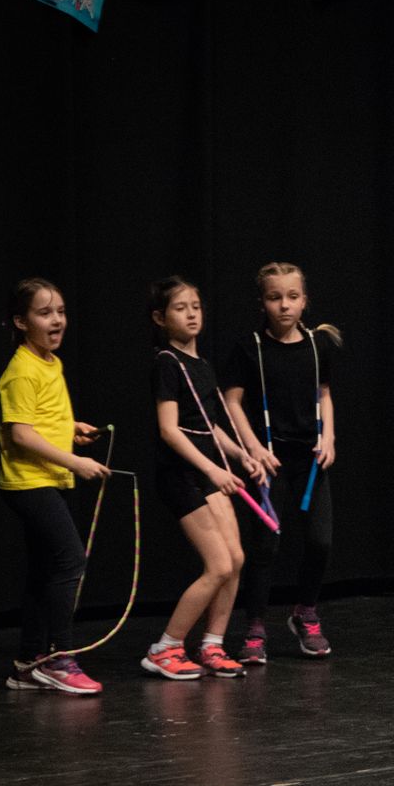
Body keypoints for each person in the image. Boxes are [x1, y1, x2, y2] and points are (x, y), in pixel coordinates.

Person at [222, 261, 341, 662]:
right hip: (269, 461)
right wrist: (253, 448)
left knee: (320, 541)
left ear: (305, 301)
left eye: (292, 297)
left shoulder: (317, 345)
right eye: (275, 298)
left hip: (309, 459)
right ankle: (255, 625)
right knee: (265, 547)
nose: (284, 305)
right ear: (263, 303)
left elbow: (324, 393)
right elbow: (232, 402)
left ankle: (305, 611)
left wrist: (329, 437)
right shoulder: (251, 348)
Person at [143, 277, 262, 680]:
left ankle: (212, 643)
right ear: (160, 317)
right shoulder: (167, 363)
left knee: (236, 559)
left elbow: (210, 426)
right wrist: (212, 468)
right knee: (218, 564)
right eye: (180, 308)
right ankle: (165, 647)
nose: (191, 314)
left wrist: (241, 455)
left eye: (195, 306)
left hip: (208, 472)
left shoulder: (203, 365)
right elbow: (169, 430)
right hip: (181, 475)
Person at [0, 278, 108, 695]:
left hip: (47, 477)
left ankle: (28, 662)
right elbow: (20, 433)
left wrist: (70, 428)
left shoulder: (49, 362)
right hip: (30, 482)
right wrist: (75, 461)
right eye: (44, 313)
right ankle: (60, 657)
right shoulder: (22, 370)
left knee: (45, 569)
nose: (57, 320)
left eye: (60, 311)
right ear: (21, 322)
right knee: (70, 562)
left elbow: (40, 419)